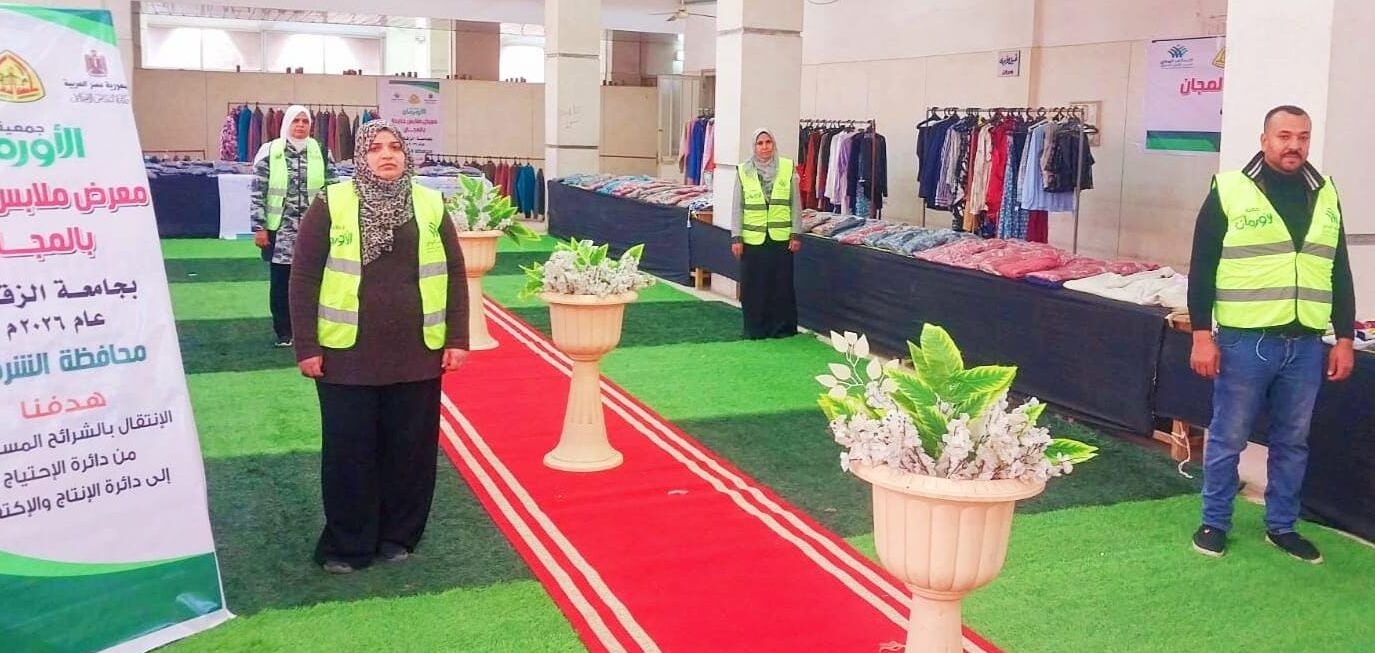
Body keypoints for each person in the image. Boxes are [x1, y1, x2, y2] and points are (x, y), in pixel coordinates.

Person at [289, 120, 470, 574]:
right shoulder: (331, 202)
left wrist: (457, 338)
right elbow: (304, 276)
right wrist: (306, 345)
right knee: (349, 453)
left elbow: (453, 273)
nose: (386, 155)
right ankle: (348, 544)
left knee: (410, 452)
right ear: (360, 156)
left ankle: (398, 536)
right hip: (346, 355)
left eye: (394, 147)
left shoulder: (430, 203)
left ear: (406, 155)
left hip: (417, 353)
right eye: (375, 148)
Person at [1187, 105, 1356, 564]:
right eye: (1284, 136)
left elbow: (1339, 269)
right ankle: (1214, 522)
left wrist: (1344, 336)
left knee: (1293, 441)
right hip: (1245, 341)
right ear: (1264, 140)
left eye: (1303, 136)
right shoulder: (1230, 190)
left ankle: (1282, 526)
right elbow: (1202, 266)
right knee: (1229, 438)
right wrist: (1201, 334)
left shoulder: (1324, 193)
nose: (1294, 145)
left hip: (1306, 344)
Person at [251, 105, 335, 347]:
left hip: (314, 230)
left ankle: (312, 329)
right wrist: (259, 227)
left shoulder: (321, 151)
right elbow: (258, 191)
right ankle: (284, 332)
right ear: (287, 123)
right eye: (295, 121)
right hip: (280, 231)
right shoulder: (270, 151)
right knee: (281, 283)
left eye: (304, 121)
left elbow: (333, 189)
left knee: (315, 280)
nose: (300, 125)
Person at [730, 128, 802, 339]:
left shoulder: (787, 167)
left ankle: (782, 329)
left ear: (774, 144)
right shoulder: (743, 170)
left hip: (781, 238)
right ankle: (755, 329)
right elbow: (737, 206)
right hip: (752, 239)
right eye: (760, 143)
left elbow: (795, 203)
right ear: (754, 147)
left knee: (781, 285)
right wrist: (736, 237)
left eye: (768, 142)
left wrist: (796, 233)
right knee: (754, 286)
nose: (764, 147)